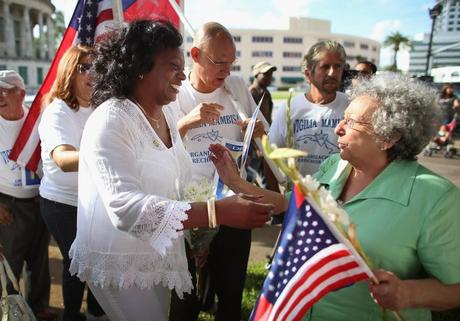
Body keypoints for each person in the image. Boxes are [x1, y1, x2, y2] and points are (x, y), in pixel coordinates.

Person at [67, 20, 274, 321]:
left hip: (159, 254)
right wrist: (216, 213)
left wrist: (196, 237)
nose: (182, 74)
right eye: (173, 66)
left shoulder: (162, 114)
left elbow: (176, 186)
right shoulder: (112, 119)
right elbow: (125, 208)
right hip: (121, 264)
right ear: (140, 66)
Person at [300, 73, 460, 320]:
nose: (338, 128)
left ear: (388, 138)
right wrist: (236, 182)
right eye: (343, 118)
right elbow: (293, 202)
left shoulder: (436, 198)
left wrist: (407, 293)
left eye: (352, 122)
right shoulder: (334, 164)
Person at [167, 22, 267, 321]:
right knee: (184, 298)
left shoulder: (236, 87)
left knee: (231, 293)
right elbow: (157, 147)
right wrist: (188, 122)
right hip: (190, 207)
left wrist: (257, 131)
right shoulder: (175, 92)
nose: (226, 69)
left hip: (233, 203)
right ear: (195, 54)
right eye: (218, 61)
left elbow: (264, 141)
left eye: (230, 62)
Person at [38, 45, 106, 321]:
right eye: (84, 67)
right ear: (69, 72)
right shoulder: (58, 111)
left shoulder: (101, 107)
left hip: (93, 201)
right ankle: (71, 316)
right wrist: (108, 156)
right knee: (77, 264)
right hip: (62, 203)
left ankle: (95, 314)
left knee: (99, 259)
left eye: (97, 67)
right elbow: (63, 160)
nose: (92, 73)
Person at [0, 70, 56, 321]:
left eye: (6, 90)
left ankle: (38, 306)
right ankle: (9, 309)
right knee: (9, 261)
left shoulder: (37, 121)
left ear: (21, 94)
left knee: (39, 260)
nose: (0, 95)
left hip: (38, 201)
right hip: (8, 205)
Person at [268, 40, 348, 186]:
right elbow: (271, 155)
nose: (333, 72)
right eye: (325, 67)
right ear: (308, 73)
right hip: (297, 196)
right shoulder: (290, 108)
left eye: (338, 66)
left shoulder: (351, 107)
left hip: (339, 198)